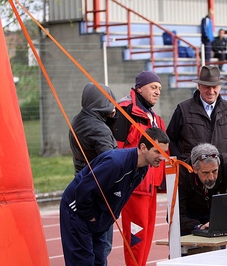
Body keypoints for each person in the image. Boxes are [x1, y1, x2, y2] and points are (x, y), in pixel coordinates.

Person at [60, 127, 170, 266]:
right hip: (77, 210)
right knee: (83, 260)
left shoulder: (143, 168)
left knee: (99, 260)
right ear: (143, 147)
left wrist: (104, 219)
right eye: (157, 151)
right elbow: (83, 189)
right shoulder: (116, 163)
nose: (162, 157)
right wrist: (90, 216)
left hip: (99, 216)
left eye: (164, 153)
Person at [113, 71, 167, 266]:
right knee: (136, 236)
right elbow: (116, 150)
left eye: (159, 88)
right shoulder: (125, 110)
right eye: (153, 87)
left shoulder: (155, 119)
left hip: (151, 188)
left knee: (147, 235)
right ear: (140, 88)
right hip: (134, 187)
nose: (157, 92)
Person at [68, 82, 117, 265]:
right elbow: (110, 162)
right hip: (98, 191)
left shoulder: (79, 119)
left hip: (81, 183)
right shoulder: (98, 129)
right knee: (101, 246)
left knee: (88, 245)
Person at [166, 65, 227, 174]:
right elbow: (170, 140)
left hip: (224, 176)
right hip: (192, 177)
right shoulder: (182, 110)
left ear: (220, 87)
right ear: (199, 86)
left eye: (215, 87)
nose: (211, 91)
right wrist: (182, 167)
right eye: (207, 87)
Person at [178, 143, 227, 236]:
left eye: (214, 171)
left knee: (218, 248)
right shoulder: (182, 174)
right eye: (205, 172)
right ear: (194, 169)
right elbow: (175, 215)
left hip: (218, 212)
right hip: (191, 215)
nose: (211, 177)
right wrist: (197, 226)